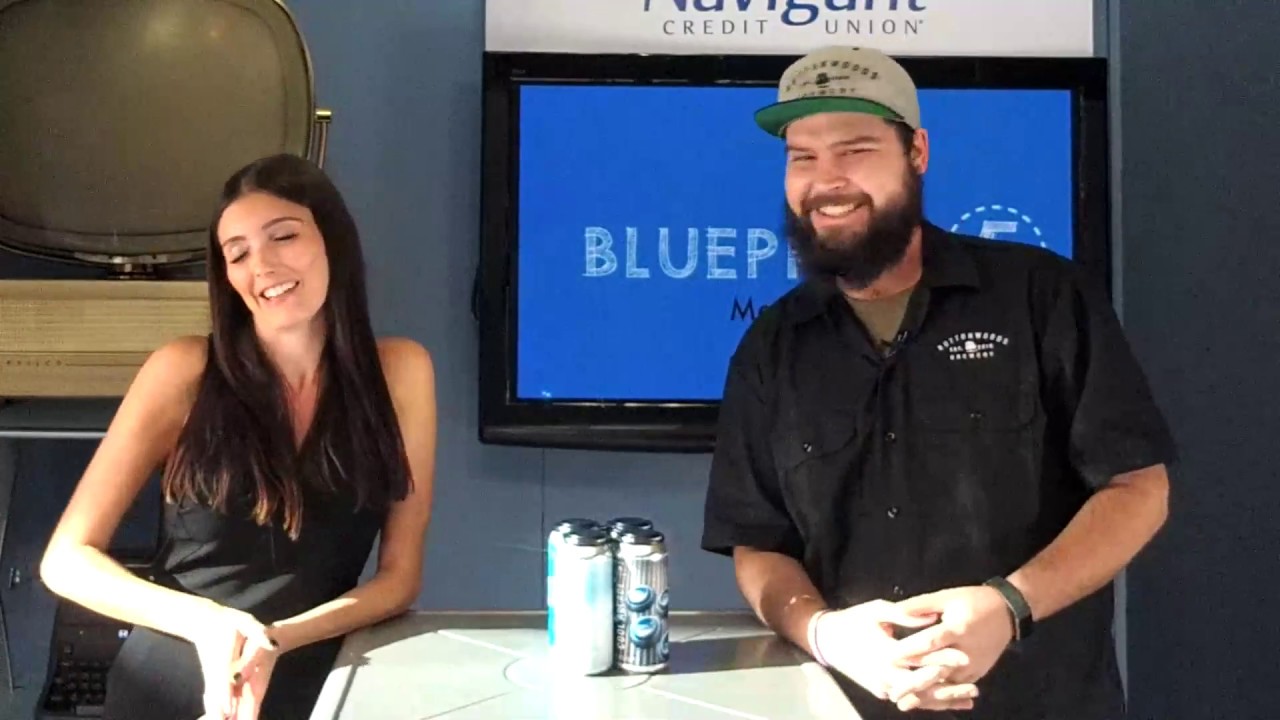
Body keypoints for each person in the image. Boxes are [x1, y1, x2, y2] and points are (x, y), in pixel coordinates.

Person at [701, 46, 1176, 720]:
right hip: (850, 704)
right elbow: (757, 543)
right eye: (802, 157)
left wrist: (1010, 604)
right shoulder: (772, 347)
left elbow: (1139, 490)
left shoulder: (1043, 297)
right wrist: (826, 634)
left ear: (916, 152)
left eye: (855, 150)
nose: (826, 180)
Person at [39, 153, 437, 720]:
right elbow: (65, 560)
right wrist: (210, 625)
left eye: (283, 237)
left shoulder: (401, 371)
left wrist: (274, 640)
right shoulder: (183, 370)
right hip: (172, 685)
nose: (263, 266)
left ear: (333, 241)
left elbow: (399, 579)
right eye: (238, 253)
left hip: (323, 683)